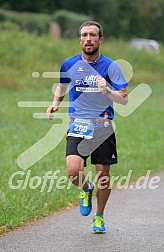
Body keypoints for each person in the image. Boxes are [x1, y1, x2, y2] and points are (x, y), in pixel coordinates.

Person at [47, 21, 128, 234]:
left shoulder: (111, 66)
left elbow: (124, 100)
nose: (88, 39)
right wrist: (56, 102)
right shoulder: (68, 64)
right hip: (78, 125)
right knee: (73, 171)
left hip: (102, 126)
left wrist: (107, 91)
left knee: (103, 175)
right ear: (80, 39)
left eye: (93, 35)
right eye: (84, 35)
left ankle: (99, 217)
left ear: (100, 39)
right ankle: (85, 188)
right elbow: (62, 86)